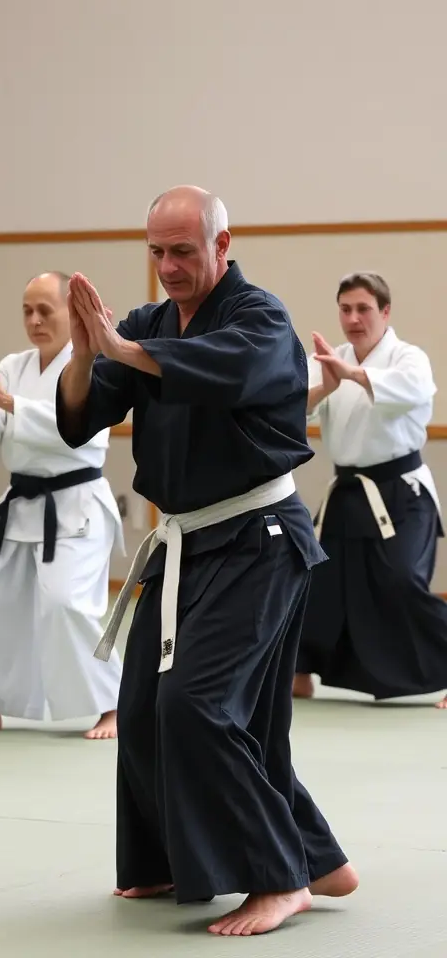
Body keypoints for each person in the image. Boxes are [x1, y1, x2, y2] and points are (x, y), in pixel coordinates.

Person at [55, 186, 358, 936]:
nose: (167, 266)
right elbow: (82, 414)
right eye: (156, 251)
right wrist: (88, 354)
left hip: (259, 539)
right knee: (148, 710)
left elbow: (222, 370)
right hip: (185, 542)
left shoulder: (259, 318)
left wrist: (126, 351)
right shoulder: (147, 324)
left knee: (199, 706)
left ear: (223, 245)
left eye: (183, 251)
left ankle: (281, 877)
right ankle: (294, 854)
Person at [0, 271, 124, 741]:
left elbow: (79, 430)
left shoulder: (91, 364)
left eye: (45, 310)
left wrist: (7, 401)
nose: (34, 320)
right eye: (27, 310)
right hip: (20, 501)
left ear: (70, 312)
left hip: (73, 503)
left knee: (66, 606)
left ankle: (114, 704)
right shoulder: (14, 365)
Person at [294, 272, 447, 708]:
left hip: (401, 494)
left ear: (385, 312)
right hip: (347, 491)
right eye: (345, 309)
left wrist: (355, 375)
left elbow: (414, 393)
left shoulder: (407, 358)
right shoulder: (327, 359)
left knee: (400, 582)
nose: (354, 318)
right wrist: (329, 382)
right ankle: (300, 673)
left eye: (363, 309)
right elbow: (295, 407)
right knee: (316, 581)